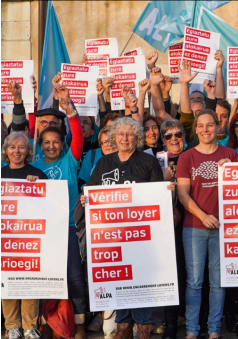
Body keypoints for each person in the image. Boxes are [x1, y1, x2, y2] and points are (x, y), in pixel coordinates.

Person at [82, 116, 165, 339]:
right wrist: (86, 200)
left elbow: (159, 199)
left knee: (141, 281)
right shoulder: (103, 164)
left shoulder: (148, 162)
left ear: (137, 137)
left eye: (129, 134)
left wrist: (168, 192)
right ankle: (123, 326)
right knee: (121, 282)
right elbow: (90, 193)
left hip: (143, 237)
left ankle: (145, 327)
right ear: (114, 137)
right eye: (120, 134)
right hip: (113, 238)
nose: (125, 138)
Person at [176, 110, 238, 339]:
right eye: (201, 126)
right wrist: (203, 216)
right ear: (195, 129)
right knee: (194, 282)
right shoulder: (187, 157)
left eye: (210, 125)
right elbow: (183, 195)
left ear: (217, 126)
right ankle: (192, 331)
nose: (205, 130)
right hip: (195, 226)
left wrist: (230, 170)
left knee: (218, 282)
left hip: (224, 228)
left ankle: (214, 330)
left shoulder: (230, 154)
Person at [31, 85, 86, 339]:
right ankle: (50, 320)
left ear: (63, 143)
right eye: (46, 142)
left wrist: (70, 110)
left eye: (56, 142)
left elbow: (78, 136)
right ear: (40, 144)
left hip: (70, 228)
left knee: (74, 276)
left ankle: (79, 320)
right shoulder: (34, 165)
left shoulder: (69, 160)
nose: (51, 146)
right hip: (44, 234)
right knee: (48, 277)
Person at [1, 132, 48, 339]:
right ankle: (12, 326)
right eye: (12, 147)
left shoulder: (38, 175)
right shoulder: (0, 175)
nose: (17, 151)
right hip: (7, 238)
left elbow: (48, 205)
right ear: (6, 151)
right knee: (8, 280)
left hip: (30, 238)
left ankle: (30, 326)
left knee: (29, 280)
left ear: (28, 151)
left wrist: (38, 186)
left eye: (21, 147)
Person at [158, 119, 188, 339]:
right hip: (167, 223)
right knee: (172, 271)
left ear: (184, 136)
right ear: (163, 140)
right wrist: (162, 179)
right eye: (168, 136)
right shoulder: (156, 160)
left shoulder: (194, 154)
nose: (174, 139)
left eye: (178, 134)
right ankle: (171, 322)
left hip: (192, 217)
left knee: (193, 272)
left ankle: (195, 319)